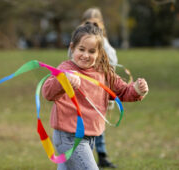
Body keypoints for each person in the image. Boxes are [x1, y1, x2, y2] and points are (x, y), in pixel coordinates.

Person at [42, 23, 149, 170]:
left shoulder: (104, 73)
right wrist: (63, 81)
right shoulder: (66, 69)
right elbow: (47, 92)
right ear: (72, 48)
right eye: (81, 49)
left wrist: (137, 90)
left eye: (92, 51)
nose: (86, 55)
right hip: (69, 137)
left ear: (99, 53)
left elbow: (123, 92)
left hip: (89, 138)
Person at [81, 7, 118, 168]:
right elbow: (72, 56)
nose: (91, 26)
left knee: (98, 121)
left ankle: (102, 154)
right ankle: (83, 154)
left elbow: (112, 61)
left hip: (99, 89)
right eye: (87, 23)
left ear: (101, 24)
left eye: (95, 23)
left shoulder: (104, 42)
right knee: (83, 122)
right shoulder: (79, 39)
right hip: (82, 88)